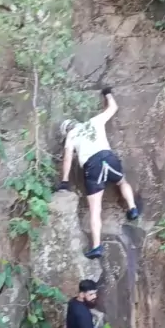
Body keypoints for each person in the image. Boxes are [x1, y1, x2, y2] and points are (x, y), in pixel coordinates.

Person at [57, 87, 139, 259]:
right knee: (122, 181)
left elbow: (67, 159)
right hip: (108, 157)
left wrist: (64, 181)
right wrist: (107, 93)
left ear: (67, 130)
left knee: (95, 209)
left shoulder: (71, 136)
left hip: (93, 166)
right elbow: (113, 108)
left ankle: (96, 247)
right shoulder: (94, 121)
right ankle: (132, 208)